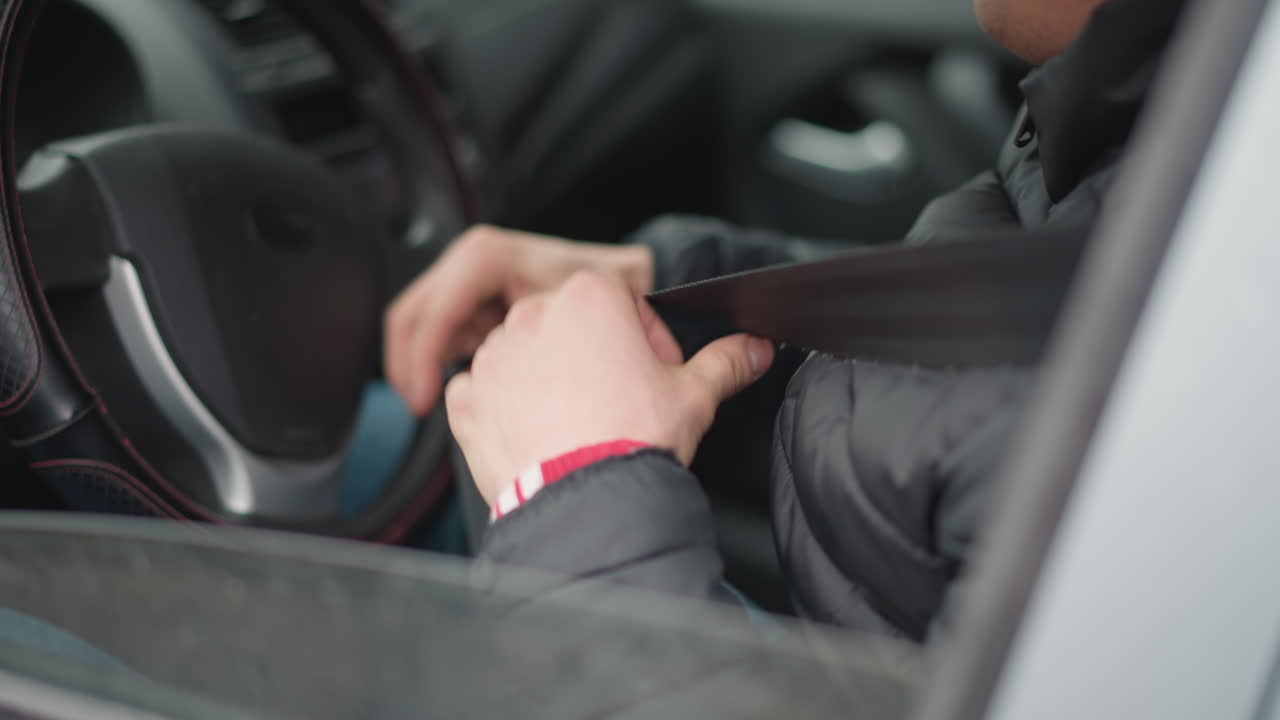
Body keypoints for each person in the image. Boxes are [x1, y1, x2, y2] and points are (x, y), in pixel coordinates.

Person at [383, 0, 1187, 642]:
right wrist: (680, 298)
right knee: (385, 442)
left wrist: (570, 496)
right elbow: (985, 383)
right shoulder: (1178, 129)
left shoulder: (1168, 464)